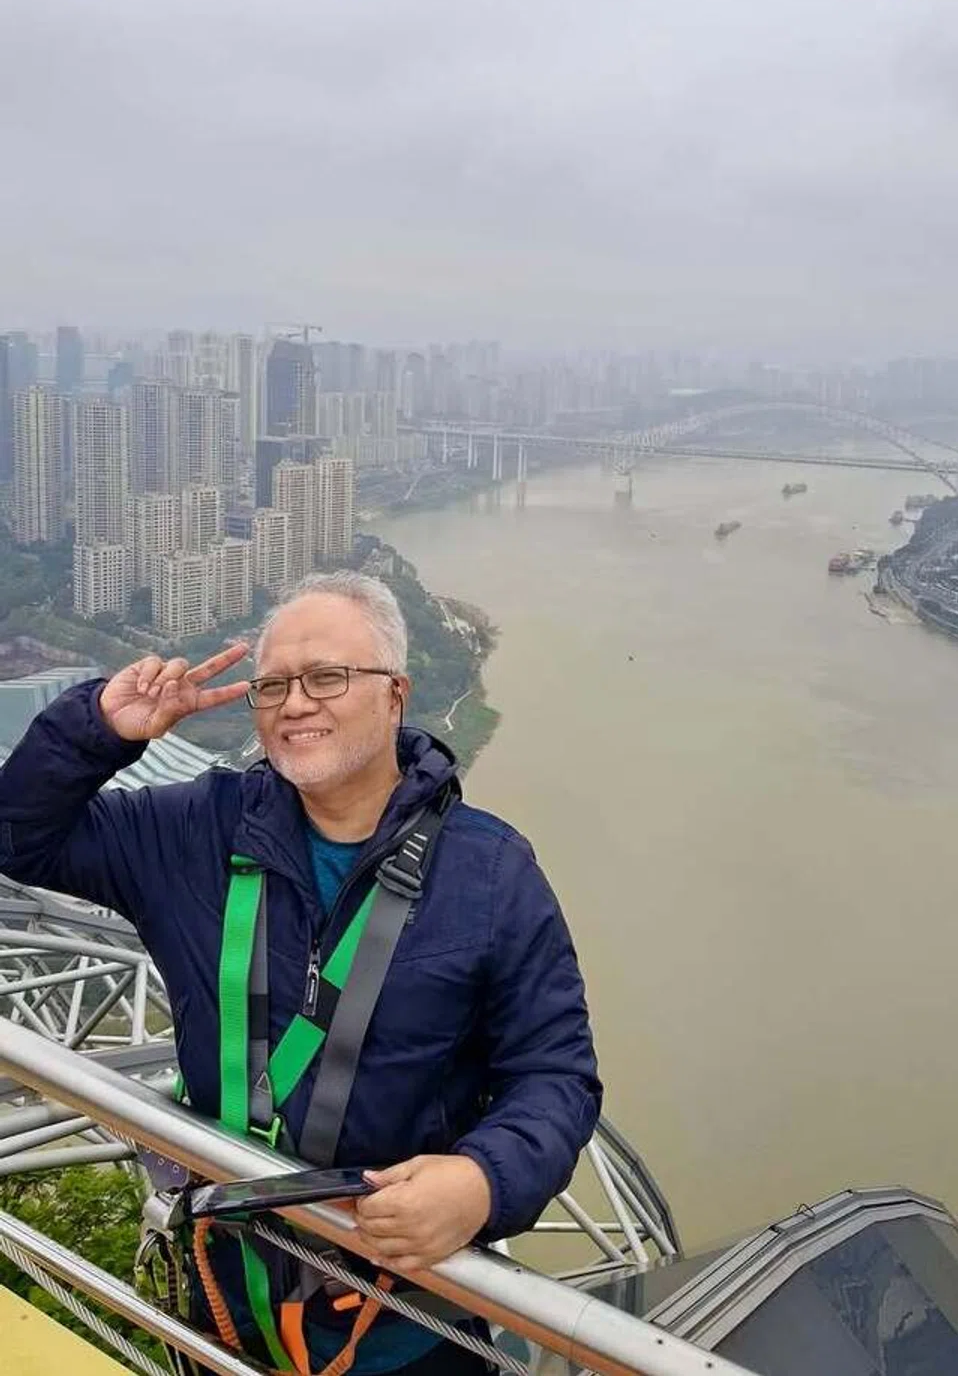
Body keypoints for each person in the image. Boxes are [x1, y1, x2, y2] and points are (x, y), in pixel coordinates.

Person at [0, 570, 601, 1375]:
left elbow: (554, 1074)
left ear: (395, 694)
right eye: (274, 684)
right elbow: (20, 839)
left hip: (402, 1324)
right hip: (224, 1308)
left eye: (327, 677)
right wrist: (99, 730)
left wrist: (483, 1182)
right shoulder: (194, 831)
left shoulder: (489, 874)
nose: (294, 703)